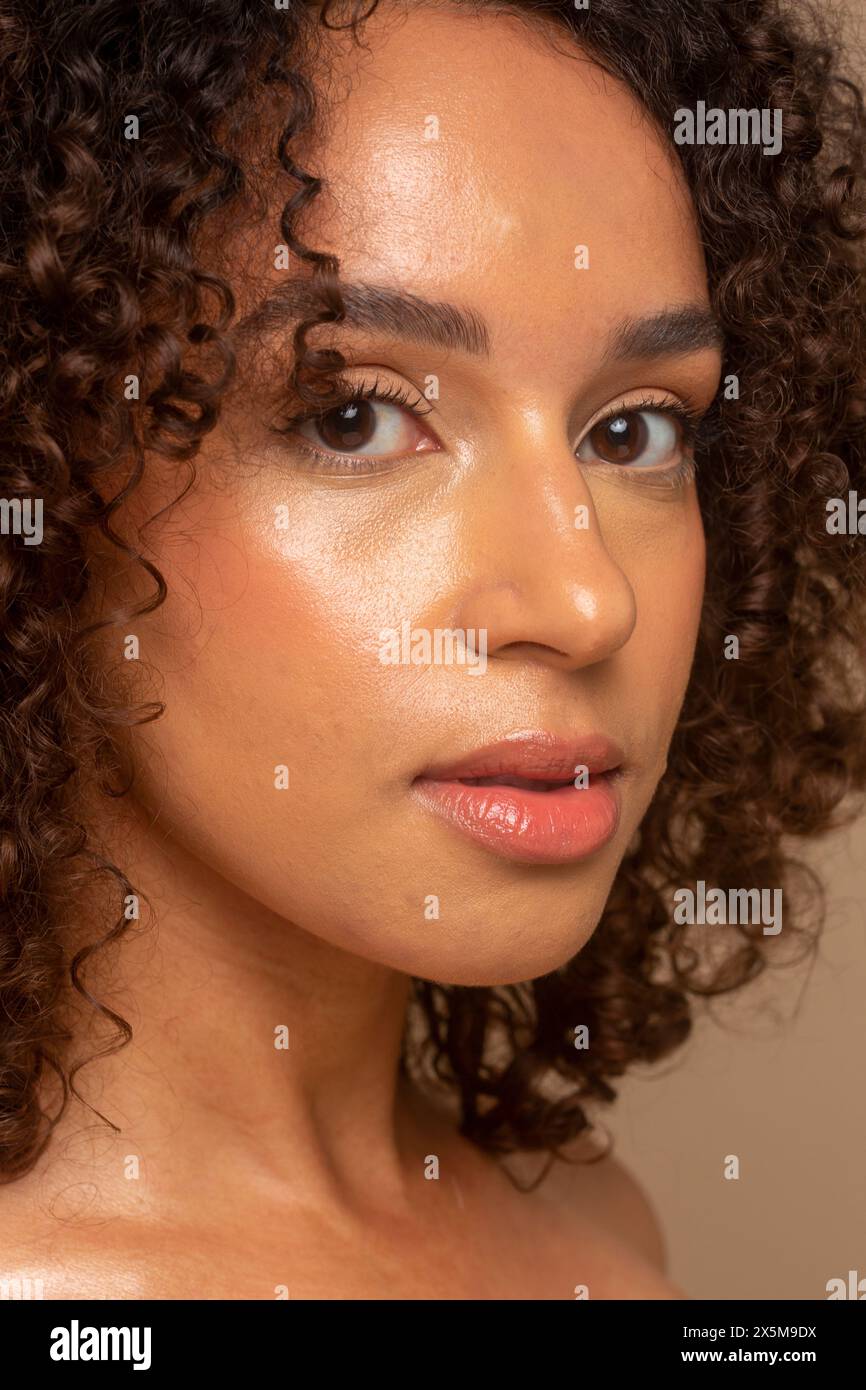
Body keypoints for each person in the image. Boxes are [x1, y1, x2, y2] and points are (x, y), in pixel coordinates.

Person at [1, 0, 864, 1300]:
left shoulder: (595, 1242)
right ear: (47, 470)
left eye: (633, 433)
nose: (585, 603)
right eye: (352, 417)